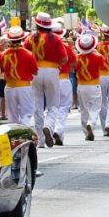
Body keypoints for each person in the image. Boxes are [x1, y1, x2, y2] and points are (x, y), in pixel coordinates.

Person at [28, 13, 64, 148]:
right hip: (52, 71)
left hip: (35, 72)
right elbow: (64, 59)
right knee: (53, 105)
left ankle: (41, 140)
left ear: (37, 24)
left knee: (37, 106)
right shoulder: (55, 38)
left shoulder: (30, 38)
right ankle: (49, 126)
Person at [0, 26, 37, 127]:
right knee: (27, 113)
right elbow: (35, 72)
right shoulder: (29, 54)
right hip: (24, 87)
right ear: (22, 39)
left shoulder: (3, 54)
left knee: (12, 117)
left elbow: (0, 70)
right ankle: (25, 131)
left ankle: (16, 137)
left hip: (9, 87)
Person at [74, 33, 105, 142]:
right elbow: (103, 66)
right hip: (94, 85)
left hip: (81, 86)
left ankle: (86, 132)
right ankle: (91, 124)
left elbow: (73, 69)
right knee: (95, 108)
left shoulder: (76, 58)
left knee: (83, 110)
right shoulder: (98, 56)